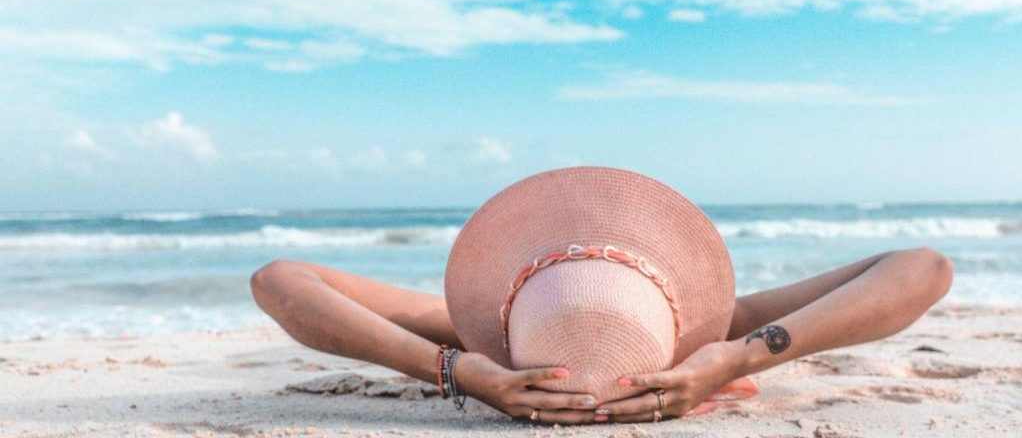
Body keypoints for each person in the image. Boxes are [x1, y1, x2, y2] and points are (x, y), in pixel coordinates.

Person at [251, 167, 952, 425]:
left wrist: (458, 369)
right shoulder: (713, 331)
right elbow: (921, 266)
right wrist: (733, 358)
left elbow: (924, 268)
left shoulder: (482, 337)